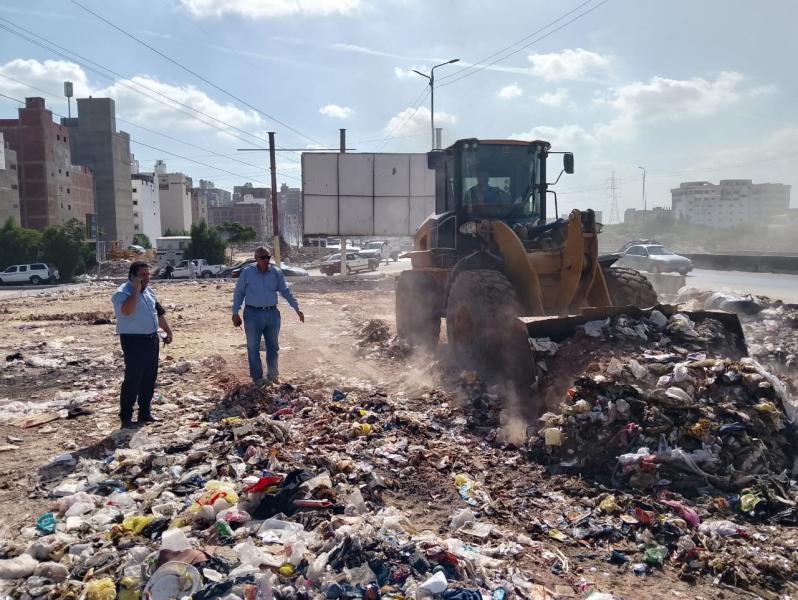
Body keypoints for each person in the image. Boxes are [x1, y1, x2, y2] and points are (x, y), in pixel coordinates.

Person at [111, 261, 173, 428]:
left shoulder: (150, 292)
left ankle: (144, 413)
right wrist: (136, 291)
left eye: (148, 274)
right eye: (142, 275)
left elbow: (158, 314)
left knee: (149, 377)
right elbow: (126, 311)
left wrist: (168, 331)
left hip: (151, 340)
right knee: (133, 379)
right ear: (132, 276)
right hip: (133, 341)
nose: (147, 278)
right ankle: (125, 417)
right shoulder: (122, 293)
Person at [232, 247, 304, 384]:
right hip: (252, 314)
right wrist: (235, 312)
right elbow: (239, 293)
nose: (266, 260)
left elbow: (285, 291)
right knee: (253, 347)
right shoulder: (247, 273)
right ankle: (257, 378)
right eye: (262, 257)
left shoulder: (276, 273)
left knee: (273, 346)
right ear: (256, 259)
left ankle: (273, 375)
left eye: (268, 257)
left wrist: (297, 308)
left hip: (272, 314)